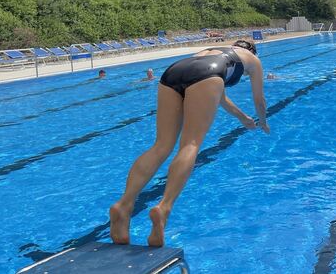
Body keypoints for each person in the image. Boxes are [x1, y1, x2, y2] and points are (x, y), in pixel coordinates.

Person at [109, 39, 269, 247]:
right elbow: (259, 100)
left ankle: (124, 204)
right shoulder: (253, 60)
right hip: (207, 75)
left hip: (175, 70)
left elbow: (218, 95)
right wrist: (263, 122)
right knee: (190, 144)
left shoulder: (214, 51)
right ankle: (164, 208)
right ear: (253, 51)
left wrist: (242, 118)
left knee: (161, 145)